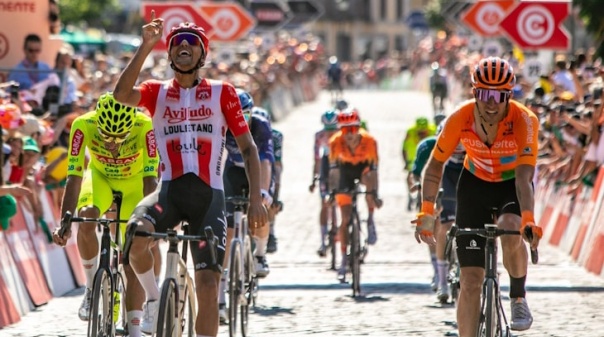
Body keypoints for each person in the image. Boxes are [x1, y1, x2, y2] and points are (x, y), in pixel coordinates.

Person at [112, 15, 268, 337]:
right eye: (177, 43)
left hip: (208, 198)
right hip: (168, 193)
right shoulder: (156, 92)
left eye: (191, 43)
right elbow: (120, 95)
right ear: (169, 55)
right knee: (135, 235)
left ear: (202, 55)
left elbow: (249, 149)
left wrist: (255, 200)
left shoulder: (223, 93)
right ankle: (154, 299)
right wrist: (145, 47)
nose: (184, 45)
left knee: (209, 286)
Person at [412, 57, 543, 336]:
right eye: (484, 94)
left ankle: (518, 297)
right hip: (474, 185)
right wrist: (426, 210)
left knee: (510, 227)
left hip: (511, 184)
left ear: (509, 95)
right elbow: (435, 165)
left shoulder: (524, 120)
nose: (491, 102)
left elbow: (524, 178)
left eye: (499, 95)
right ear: (474, 93)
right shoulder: (460, 117)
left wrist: (528, 220)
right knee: (470, 281)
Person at [51, 92, 159, 337]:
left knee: (133, 251)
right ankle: (91, 289)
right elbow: (74, 175)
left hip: (135, 183)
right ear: (97, 121)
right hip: (100, 179)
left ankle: (134, 328)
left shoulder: (146, 126)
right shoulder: (82, 125)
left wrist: (150, 222)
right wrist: (65, 221)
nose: (113, 143)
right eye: (106, 135)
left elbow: (150, 179)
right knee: (86, 217)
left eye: (120, 137)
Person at [218, 89, 273, 323]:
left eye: (245, 114)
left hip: (257, 171)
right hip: (232, 171)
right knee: (227, 231)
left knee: (261, 210)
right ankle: (220, 299)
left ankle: (260, 253)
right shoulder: (221, 122)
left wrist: (263, 192)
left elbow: (266, 161)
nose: (240, 119)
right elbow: (218, 156)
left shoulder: (260, 125)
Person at [411, 120, 466, 302]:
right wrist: (431, 204)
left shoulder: (474, 143)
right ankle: (442, 279)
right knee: (445, 224)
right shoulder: (431, 147)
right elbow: (431, 175)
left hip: (467, 170)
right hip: (446, 173)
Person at [329, 107, 382, 281]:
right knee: (344, 218)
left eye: (352, 129)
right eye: (344, 130)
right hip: (345, 171)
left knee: (368, 183)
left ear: (358, 128)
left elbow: (374, 171)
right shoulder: (335, 142)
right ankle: (344, 260)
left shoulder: (369, 141)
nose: (349, 134)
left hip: (363, 168)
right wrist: (333, 191)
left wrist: (375, 193)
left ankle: (371, 221)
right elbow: (334, 170)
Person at [252, 106, 283, 253]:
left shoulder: (275, 136)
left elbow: (276, 165)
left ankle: (270, 232)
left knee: (268, 199)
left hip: (266, 165)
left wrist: (275, 194)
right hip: (246, 167)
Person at [309, 109, 340, 256]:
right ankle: (322, 240)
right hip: (325, 168)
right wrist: (314, 178)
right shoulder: (319, 136)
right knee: (324, 203)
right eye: (328, 130)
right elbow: (316, 159)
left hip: (339, 167)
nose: (330, 133)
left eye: (333, 130)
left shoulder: (342, 135)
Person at [402, 116, 436, 210]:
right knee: (410, 175)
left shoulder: (433, 130)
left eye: (424, 132)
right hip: (413, 158)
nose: (422, 135)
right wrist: (405, 162)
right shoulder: (410, 132)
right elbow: (404, 148)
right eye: (420, 133)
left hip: (427, 157)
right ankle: (410, 195)